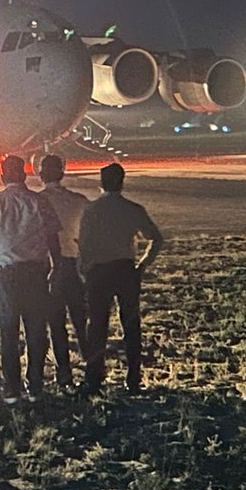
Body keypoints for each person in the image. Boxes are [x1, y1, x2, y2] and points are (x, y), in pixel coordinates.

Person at [0, 155, 62, 404]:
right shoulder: (38, 201)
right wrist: (57, 264)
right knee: (36, 330)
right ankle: (36, 384)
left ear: (2, 177)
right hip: (35, 272)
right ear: (24, 174)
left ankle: (11, 388)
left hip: (5, 272)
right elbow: (53, 235)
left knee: (8, 330)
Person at [78, 162, 165, 394]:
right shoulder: (133, 209)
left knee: (97, 325)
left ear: (101, 182)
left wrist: (84, 269)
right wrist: (142, 266)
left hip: (99, 271)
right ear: (122, 182)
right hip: (126, 269)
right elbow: (156, 239)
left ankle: (94, 377)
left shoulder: (92, 210)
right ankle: (133, 377)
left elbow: (84, 243)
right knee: (131, 324)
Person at [36, 154, 88, 393]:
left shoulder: (35, 202)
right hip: (76, 264)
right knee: (81, 321)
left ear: (40, 174)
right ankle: (92, 368)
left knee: (56, 324)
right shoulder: (79, 201)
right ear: (63, 173)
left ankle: (63, 373)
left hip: (49, 267)